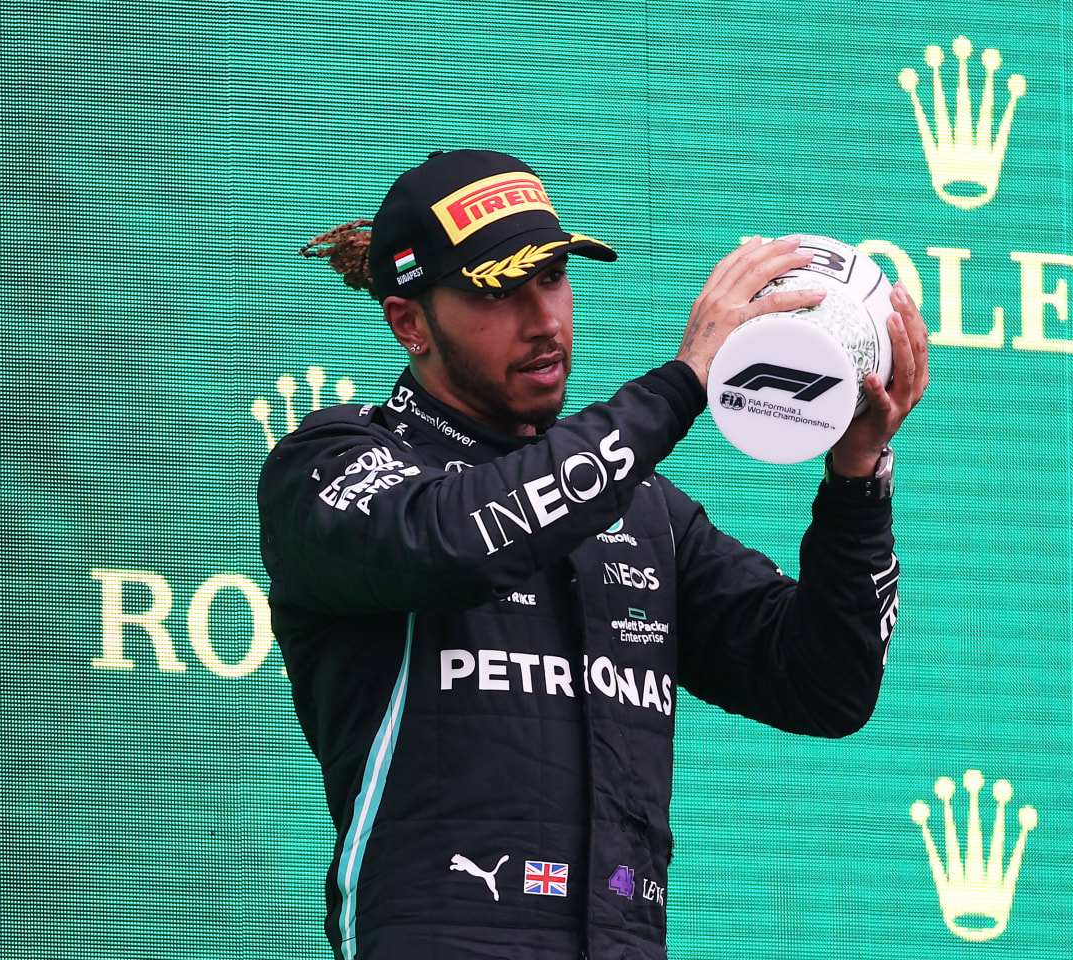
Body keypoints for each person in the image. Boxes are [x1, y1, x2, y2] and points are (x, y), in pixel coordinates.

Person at [257, 149, 929, 960]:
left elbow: (827, 684)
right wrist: (682, 384)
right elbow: (453, 541)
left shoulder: (645, 514)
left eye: (552, 278)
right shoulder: (335, 462)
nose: (543, 318)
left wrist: (858, 474)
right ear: (409, 323)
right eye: (498, 290)